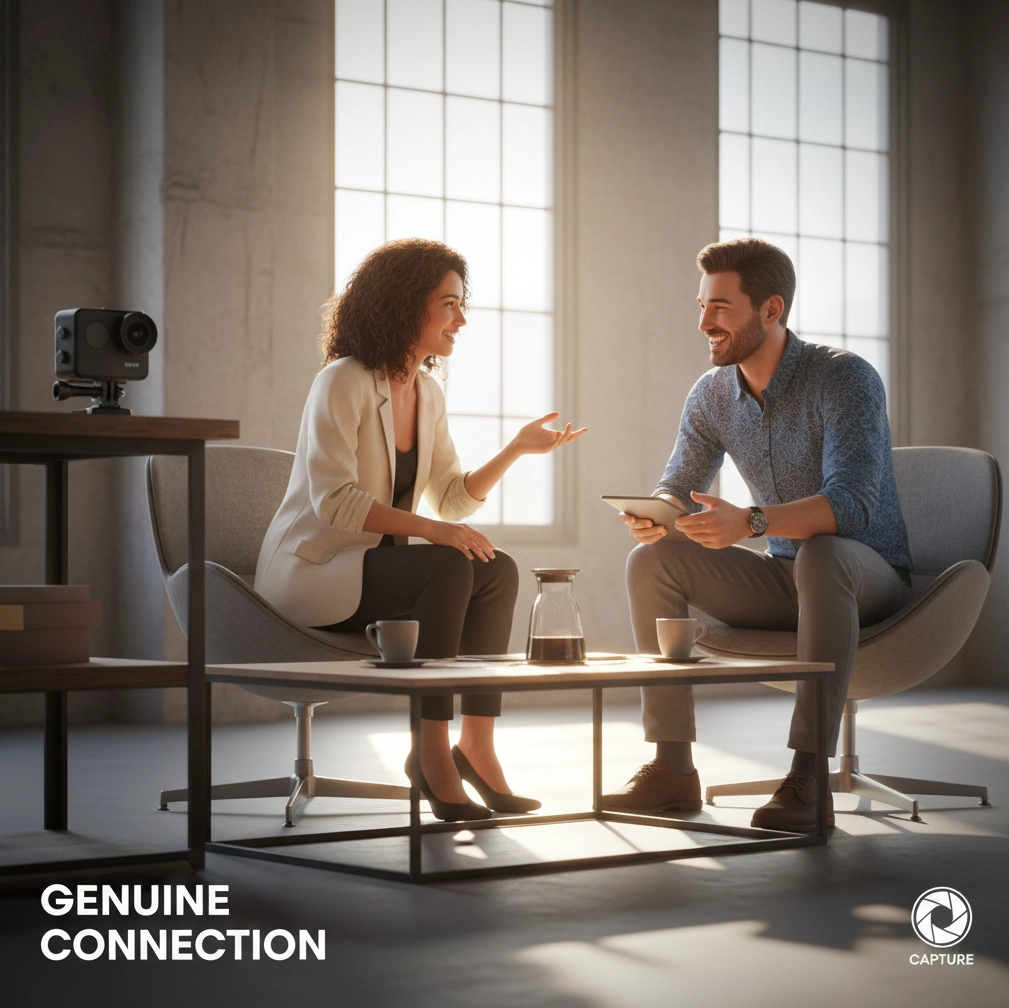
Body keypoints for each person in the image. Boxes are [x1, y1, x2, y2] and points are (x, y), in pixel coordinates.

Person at [255, 239, 587, 823]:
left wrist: (515, 449)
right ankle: (429, 754)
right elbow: (333, 501)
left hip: (377, 576)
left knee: (496, 568)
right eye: (449, 304)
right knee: (447, 561)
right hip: (314, 572)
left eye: (462, 304)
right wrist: (431, 532)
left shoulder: (427, 393)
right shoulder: (343, 380)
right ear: (406, 305)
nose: (461, 318)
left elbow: (453, 501)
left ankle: (476, 747)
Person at [604, 236, 913, 833]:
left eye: (720, 308)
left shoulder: (845, 379)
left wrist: (749, 522)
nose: (704, 323)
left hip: (867, 574)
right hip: (787, 576)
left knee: (823, 554)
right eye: (701, 307)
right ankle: (672, 769)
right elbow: (681, 481)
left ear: (770, 310)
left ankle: (808, 777)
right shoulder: (712, 393)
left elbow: (850, 506)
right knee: (652, 562)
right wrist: (659, 514)